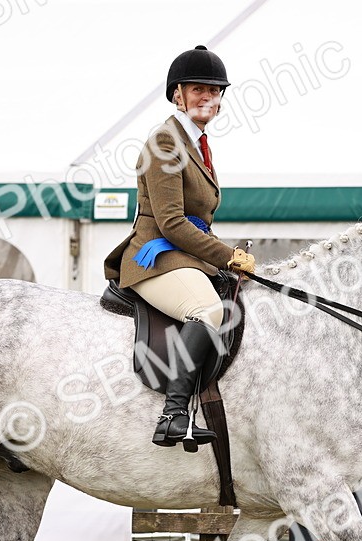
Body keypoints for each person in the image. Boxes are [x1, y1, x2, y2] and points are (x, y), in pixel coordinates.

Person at [104, 45, 256, 449]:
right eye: (198, 89)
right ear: (178, 95)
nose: (208, 96)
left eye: (215, 90)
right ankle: (172, 415)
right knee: (208, 311)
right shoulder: (166, 144)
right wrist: (228, 256)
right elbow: (171, 223)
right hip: (155, 255)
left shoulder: (197, 145)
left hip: (184, 256)